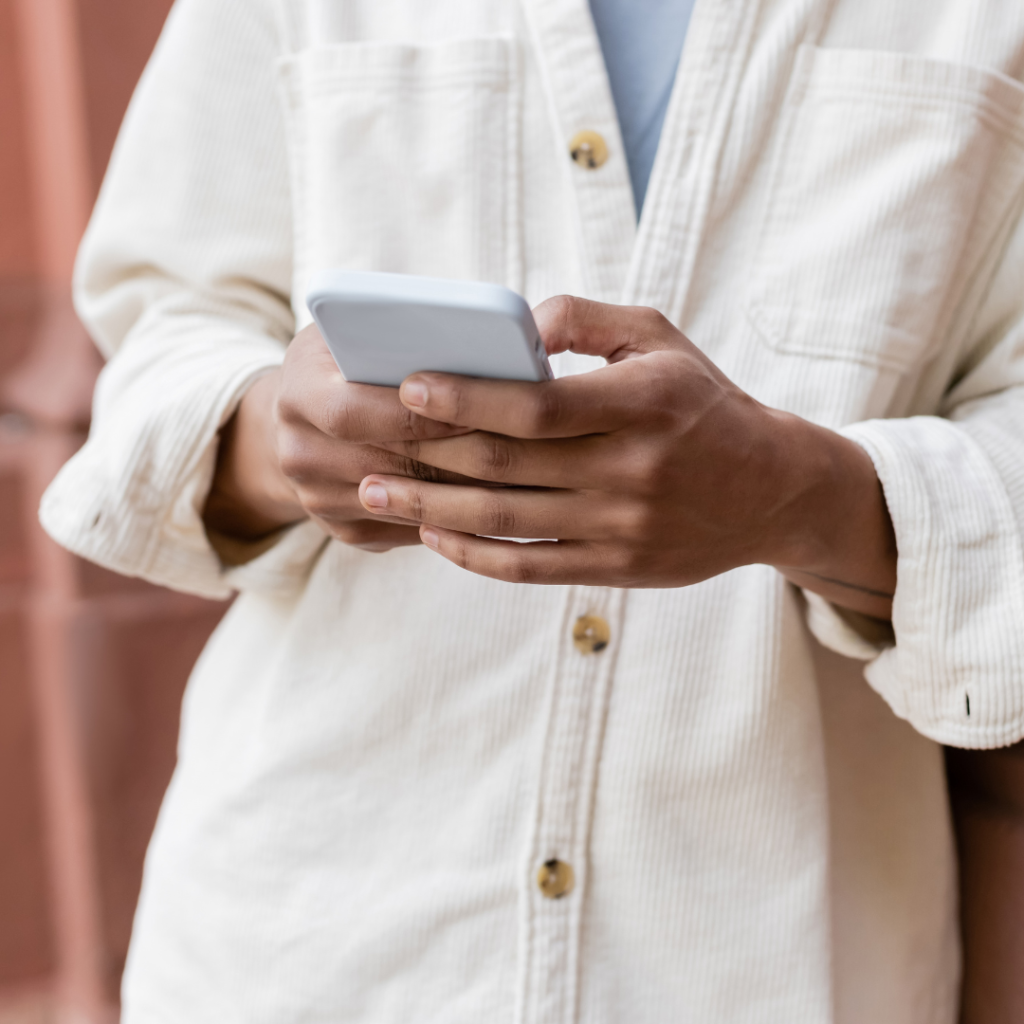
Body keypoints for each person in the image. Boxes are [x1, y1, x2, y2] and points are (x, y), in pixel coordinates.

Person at [39, 0, 1024, 1019]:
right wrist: (274, 438)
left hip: (762, 967)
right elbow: (162, 324)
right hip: (303, 944)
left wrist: (802, 499)